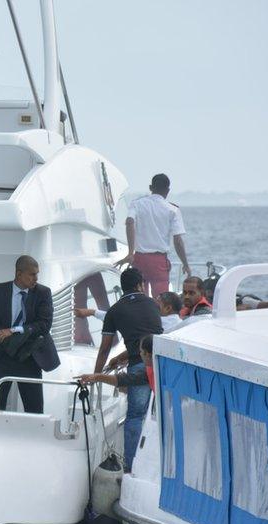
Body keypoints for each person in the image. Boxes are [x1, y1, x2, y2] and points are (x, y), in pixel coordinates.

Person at [89, 267, 162, 470]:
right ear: (140, 285)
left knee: (135, 416)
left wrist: (97, 375)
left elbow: (104, 348)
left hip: (139, 366)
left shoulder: (115, 311)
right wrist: (124, 357)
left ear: (122, 288)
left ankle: (132, 467)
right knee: (158, 415)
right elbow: (149, 337)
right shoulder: (153, 304)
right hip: (161, 365)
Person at [0, 255, 60, 414]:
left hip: (30, 355)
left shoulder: (43, 292)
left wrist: (14, 330)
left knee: (34, 408)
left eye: (37, 274)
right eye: (32, 274)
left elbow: (45, 325)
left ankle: (33, 438)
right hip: (3, 354)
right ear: (19, 274)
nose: (36, 278)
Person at [115, 174, 191, 297]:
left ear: (150, 187)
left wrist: (130, 253)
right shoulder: (173, 210)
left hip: (139, 259)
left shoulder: (136, 204)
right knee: (161, 300)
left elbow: (129, 222)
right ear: (168, 190)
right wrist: (185, 264)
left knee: (140, 297)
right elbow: (177, 240)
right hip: (159, 262)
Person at [78, 335, 156, 392]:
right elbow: (126, 379)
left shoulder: (154, 371)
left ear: (147, 354)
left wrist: (97, 377)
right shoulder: (152, 369)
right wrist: (97, 377)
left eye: (141, 352)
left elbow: (126, 379)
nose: (140, 354)